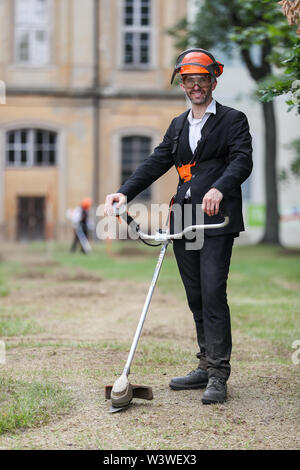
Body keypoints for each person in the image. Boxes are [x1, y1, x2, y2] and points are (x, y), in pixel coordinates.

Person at [104, 49, 253, 404]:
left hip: (218, 217)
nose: (196, 86)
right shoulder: (178, 125)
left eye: (202, 79)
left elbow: (242, 160)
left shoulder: (234, 120)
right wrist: (124, 193)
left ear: (213, 81)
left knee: (214, 292)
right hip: (183, 218)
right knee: (196, 295)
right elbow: (156, 162)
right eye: (189, 80)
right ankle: (205, 364)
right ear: (182, 84)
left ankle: (219, 374)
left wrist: (220, 187)